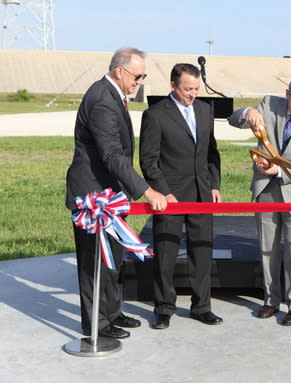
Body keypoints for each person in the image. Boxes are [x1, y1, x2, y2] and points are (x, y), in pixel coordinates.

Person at [65, 47, 168, 339]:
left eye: (143, 76)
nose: (140, 81)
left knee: (112, 258)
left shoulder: (113, 95)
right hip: (92, 198)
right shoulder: (102, 101)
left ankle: (111, 312)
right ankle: (96, 324)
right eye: (137, 76)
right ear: (119, 71)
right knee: (94, 263)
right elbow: (112, 155)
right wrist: (147, 191)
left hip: (110, 194)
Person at [227, 75, 291, 326]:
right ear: (287, 94)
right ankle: (270, 300)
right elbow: (234, 119)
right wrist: (248, 111)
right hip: (266, 192)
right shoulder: (268, 105)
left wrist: (279, 171)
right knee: (267, 249)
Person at [140, 63, 222, 330]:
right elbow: (149, 161)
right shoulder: (155, 115)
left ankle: (202, 307)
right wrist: (163, 191)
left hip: (202, 194)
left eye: (196, 89)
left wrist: (214, 184)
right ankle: (164, 307)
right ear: (173, 86)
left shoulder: (204, 110)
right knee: (165, 253)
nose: (193, 94)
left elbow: (212, 153)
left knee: (202, 252)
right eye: (188, 89)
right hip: (170, 197)